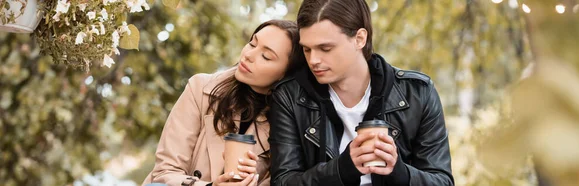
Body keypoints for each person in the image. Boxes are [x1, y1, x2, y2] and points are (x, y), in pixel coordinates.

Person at [267, 0, 454, 185]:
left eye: (325, 48)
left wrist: (400, 173)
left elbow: (442, 181)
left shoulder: (418, 93)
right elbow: (283, 181)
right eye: (306, 49)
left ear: (359, 39)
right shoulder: (289, 96)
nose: (313, 60)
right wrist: (341, 170)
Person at [143, 19, 304, 186]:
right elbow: (164, 172)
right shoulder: (200, 88)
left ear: (286, 75)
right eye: (252, 44)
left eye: (266, 56)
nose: (248, 55)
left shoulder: (288, 124)